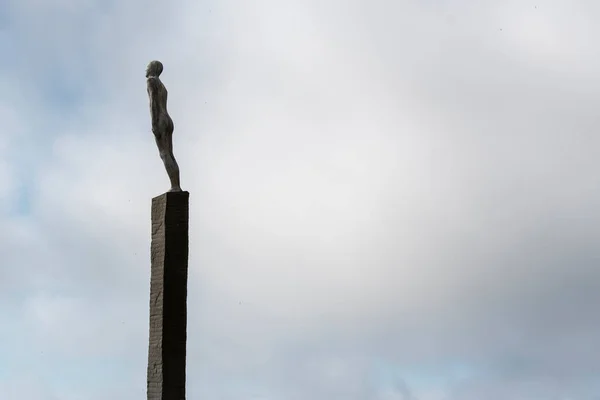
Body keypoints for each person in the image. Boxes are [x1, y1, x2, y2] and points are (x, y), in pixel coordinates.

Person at [146, 60, 182, 192]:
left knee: (164, 154)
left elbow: (153, 103)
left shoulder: (151, 81)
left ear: (153, 68)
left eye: (148, 67)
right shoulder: (163, 86)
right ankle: (176, 185)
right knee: (170, 154)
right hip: (168, 119)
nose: (146, 70)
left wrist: (154, 123)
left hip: (160, 119)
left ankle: (175, 186)